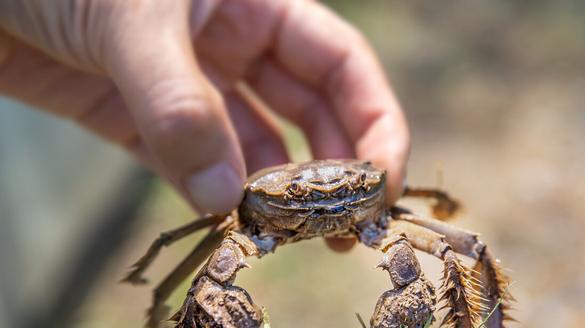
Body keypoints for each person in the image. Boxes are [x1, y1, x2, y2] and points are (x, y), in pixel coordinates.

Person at [0, 0, 409, 248]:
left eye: (348, 192)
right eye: (299, 197)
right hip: (261, 219)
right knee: (204, 296)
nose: (322, 209)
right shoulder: (246, 215)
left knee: (456, 250)